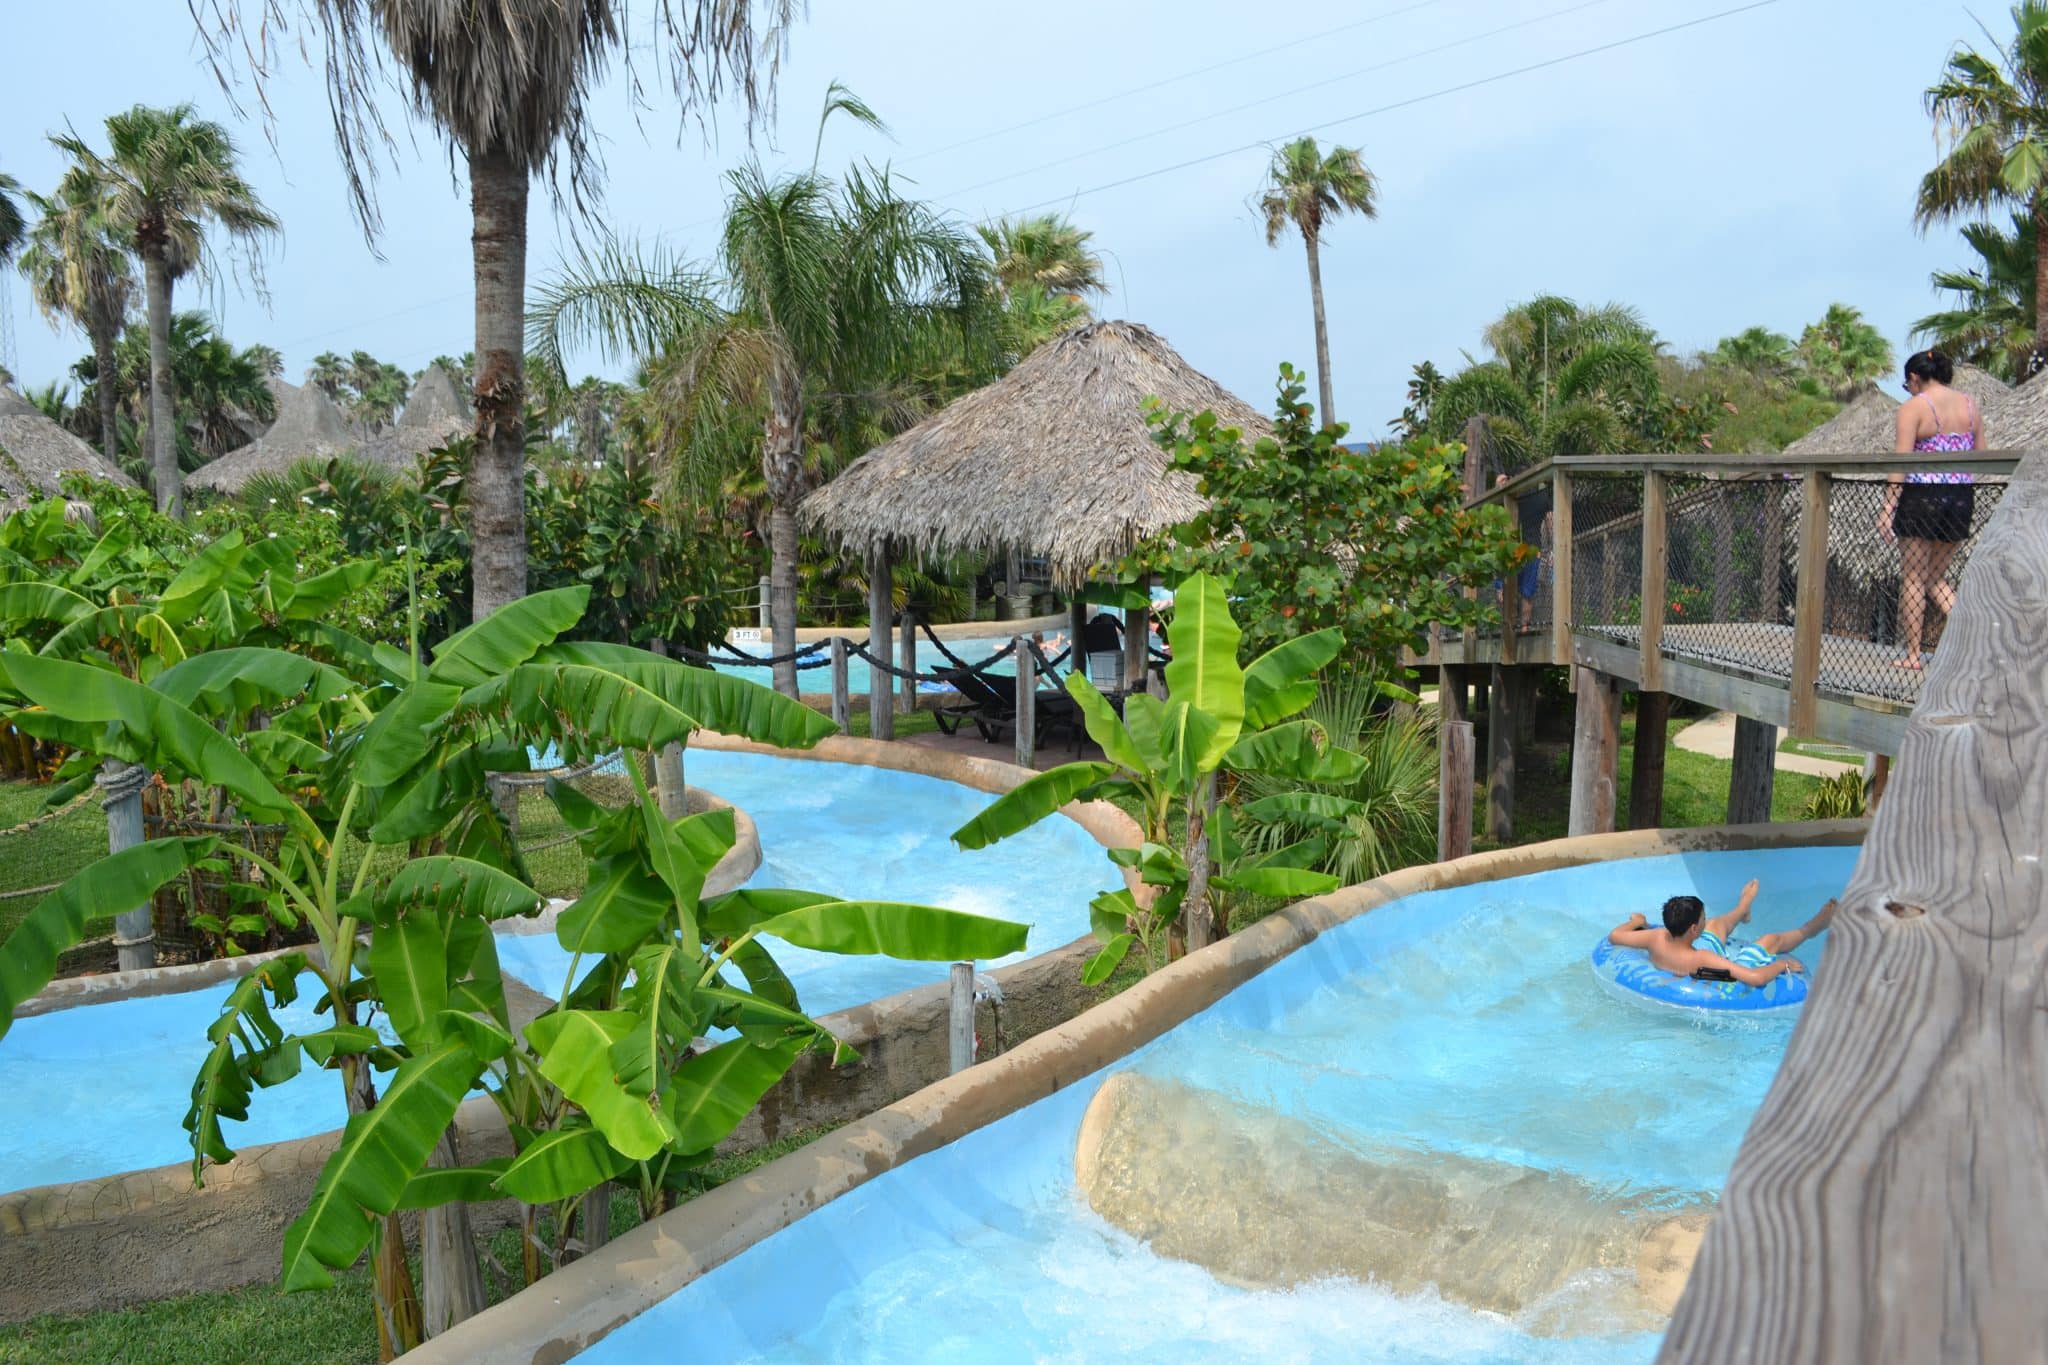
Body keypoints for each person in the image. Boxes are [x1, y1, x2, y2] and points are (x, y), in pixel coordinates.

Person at [1884, 349, 1981, 671]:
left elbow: (1900, 463)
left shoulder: (1914, 408)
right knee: (1935, 577)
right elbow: (1982, 454)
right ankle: (1973, 640)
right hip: (1960, 496)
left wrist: (1888, 507)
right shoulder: (1970, 406)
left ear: (1914, 377)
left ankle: (1913, 655)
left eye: (1906, 383)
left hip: (1922, 496)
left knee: (1913, 577)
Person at [1606, 879, 1837, 988]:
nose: (1705, 919)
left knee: (1716, 924)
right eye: (1702, 918)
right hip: (1711, 974)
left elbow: (1614, 936)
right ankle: (1813, 926)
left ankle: (1743, 907)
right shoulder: (1702, 959)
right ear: (1694, 929)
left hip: (1684, 954)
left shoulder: (1655, 938)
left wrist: (1637, 921)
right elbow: (1755, 979)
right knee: (1769, 940)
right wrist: (1781, 966)